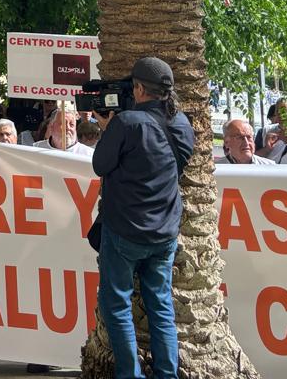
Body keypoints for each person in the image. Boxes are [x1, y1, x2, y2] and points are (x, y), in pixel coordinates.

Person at [90, 58, 194, 379]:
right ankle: (166, 374)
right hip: (164, 234)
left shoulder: (127, 123)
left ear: (137, 88)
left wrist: (109, 130)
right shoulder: (182, 124)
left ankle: (129, 374)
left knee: (118, 306)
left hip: (124, 232)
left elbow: (100, 164)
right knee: (161, 306)